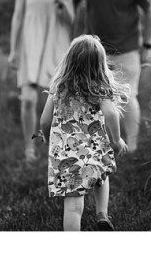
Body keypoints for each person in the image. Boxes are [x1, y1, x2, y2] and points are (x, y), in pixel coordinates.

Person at [37, 35, 129, 231]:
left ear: (69, 61)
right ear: (100, 65)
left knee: (73, 207)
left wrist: (46, 136)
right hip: (93, 149)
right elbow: (111, 113)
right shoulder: (99, 88)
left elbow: (45, 119)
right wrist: (116, 140)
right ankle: (102, 213)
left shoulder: (59, 88)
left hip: (65, 154)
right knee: (101, 175)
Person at [69, 0, 151, 151]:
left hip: (128, 46)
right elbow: (70, 5)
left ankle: (132, 147)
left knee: (128, 96)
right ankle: (97, 145)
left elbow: (150, 9)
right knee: (93, 98)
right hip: (94, 50)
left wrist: (148, 44)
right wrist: (74, 40)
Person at [8, 0, 74, 162]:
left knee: (56, 100)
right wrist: (13, 49)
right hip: (29, 43)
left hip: (55, 43)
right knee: (27, 99)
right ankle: (29, 147)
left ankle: (56, 146)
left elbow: (71, 20)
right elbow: (17, 16)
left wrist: (64, 2)